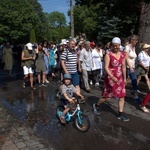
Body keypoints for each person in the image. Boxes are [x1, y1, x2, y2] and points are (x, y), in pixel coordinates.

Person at [93, 37, 129, 122]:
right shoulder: (108, 54)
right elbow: (106, 67)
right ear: (111, 45)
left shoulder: (123, 54)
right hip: (110, 77)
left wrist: (124, 78)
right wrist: (112, 77)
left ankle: (120, 114)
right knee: (107, 97)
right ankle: (97, 105)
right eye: (114, 45)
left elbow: (123, 67)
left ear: (120, 45)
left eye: (117, 46)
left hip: (119, 78)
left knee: (122, 96)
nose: (115, 47)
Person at [124, 34, 142, 103]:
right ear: (132, 40)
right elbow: (126, 58)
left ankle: (136, 97)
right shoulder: (127, 47)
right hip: (127, 67)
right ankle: (120, 94)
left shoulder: (133, 48)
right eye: (136, 40)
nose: (137, 42)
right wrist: (130, 67)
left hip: (133, 67)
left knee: (134, 82)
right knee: (124, 81)